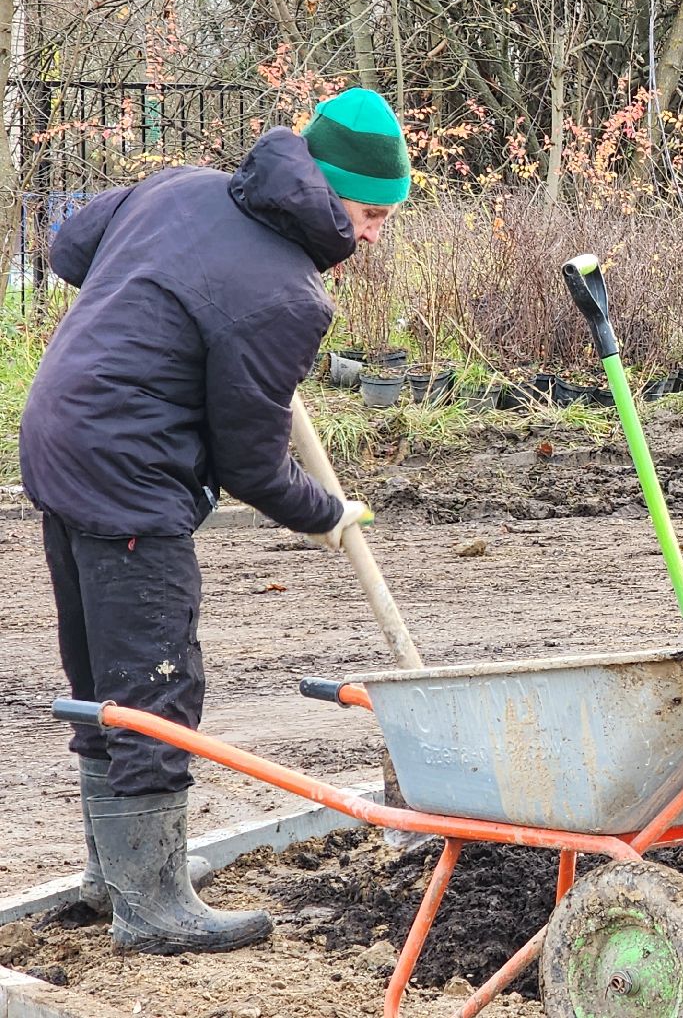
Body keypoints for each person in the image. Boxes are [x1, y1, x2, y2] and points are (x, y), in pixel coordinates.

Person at [19, 86, 410, 954]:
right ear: (327, 187)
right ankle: (154, 907)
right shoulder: (286, 295)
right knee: (155, 682)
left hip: (57, 436)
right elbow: (251, 469)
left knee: (101, 676)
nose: (378, 229)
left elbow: (69, 247)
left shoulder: (181, 189)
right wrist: (329, 510)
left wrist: (165, 288)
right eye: (371, 210)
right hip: (126, 470)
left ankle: (109, 879)